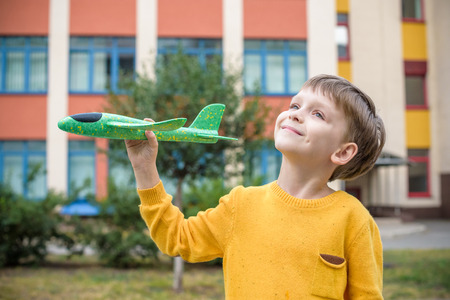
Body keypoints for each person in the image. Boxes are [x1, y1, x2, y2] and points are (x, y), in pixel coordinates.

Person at [125, 74, 386, 299]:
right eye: (295, 104)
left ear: (343, 152)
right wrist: (144, 168)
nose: (295, 114)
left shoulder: (354, 220)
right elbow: (177, 238)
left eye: (317, 113)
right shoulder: (240, 205)